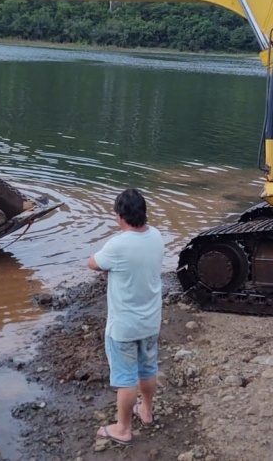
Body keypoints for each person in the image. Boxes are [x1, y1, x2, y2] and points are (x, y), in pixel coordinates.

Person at [87, 188, 165, 446]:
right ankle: (147, 410)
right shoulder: (157, 236)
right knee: (147, 369)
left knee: (125, 379)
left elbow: (93, 263)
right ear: (143, 213)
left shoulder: (118, 245)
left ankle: (122, 428)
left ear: (120, 216)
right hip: (150, 321)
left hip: (124, 327)